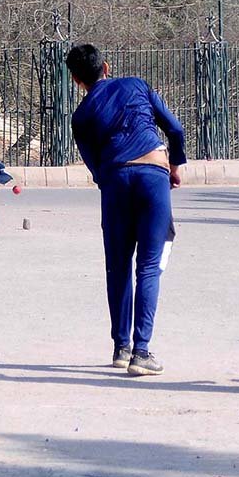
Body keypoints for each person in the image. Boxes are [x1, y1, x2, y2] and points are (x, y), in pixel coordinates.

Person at [66, 44, 185, 376]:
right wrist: (172, 166)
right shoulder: (136, 85)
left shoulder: (80, 116)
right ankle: (142, 352)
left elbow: (97, 170)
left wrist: (118, 181)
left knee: (117, 267)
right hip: (153, 176)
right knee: (147, 267)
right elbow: (175, 130)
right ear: (106, 66)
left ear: (76, 80)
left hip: (116, 182)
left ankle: (121, 348)